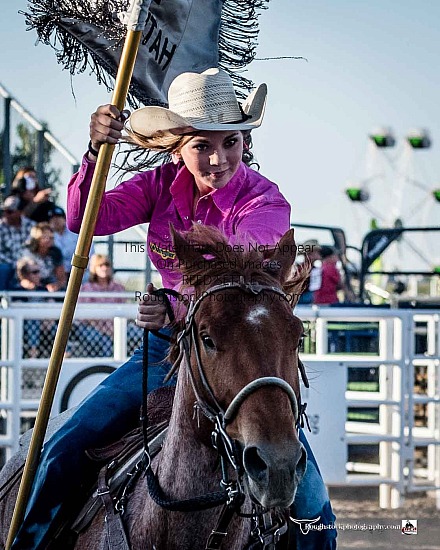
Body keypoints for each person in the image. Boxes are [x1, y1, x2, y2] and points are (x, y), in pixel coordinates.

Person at [11, 68, 336, 549]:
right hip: (169, 347)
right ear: (176, 148)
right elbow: (85, 217)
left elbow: (232, 285)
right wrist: (96, 151)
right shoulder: (160, 185)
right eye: (201, 145)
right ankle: (26, 541)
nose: (218, 158)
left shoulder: (264, 201)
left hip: (244, 355)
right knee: (66, 443)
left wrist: (172, 302)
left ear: (244, 139)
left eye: (229, 142)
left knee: (308, 497)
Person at [0, 195, 35, 290]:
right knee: (3, 269)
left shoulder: (31, 226)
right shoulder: (1, 227)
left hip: (29, 262)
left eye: (10, 212)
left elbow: (35, 248)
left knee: (36, 269)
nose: (6, 215)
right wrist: (15, 264)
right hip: (9, 264)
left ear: (20, 212)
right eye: (4, 211)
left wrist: (26, 263)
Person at [21, 222, 67, 291]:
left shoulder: (56, 252)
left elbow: (62, 279)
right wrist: (26, 283)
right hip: (28, 286)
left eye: (51, 237)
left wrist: (56, 286)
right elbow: (20, 275)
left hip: (49, 287)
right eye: (45, 237)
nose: (48, 239)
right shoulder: (27, 251)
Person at [298, 239, 322, 305]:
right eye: (317, 252)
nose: (319, 254)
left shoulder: (314, 269)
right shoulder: (299, 268)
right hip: (303, 300)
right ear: (309, 254)